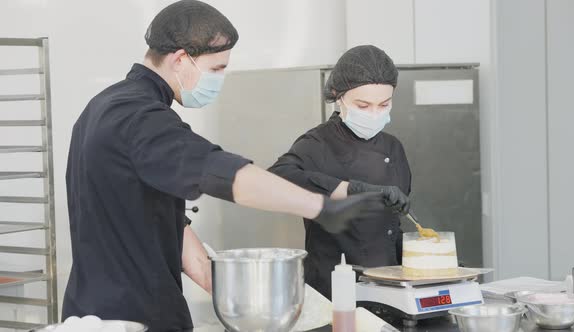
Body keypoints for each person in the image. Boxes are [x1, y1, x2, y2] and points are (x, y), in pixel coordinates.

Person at [62, 2, 387, 331]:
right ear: (179, 59)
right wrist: (320, 206)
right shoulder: (140, 117)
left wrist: (259, 309)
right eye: (216, 68)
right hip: (131, 318)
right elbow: (222, 172)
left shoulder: (104, 107)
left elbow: (171, 227)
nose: (220, 78)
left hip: (98, 310)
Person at [268, 45, 412, 299]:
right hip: (332, 288)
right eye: (363, 105)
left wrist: (426, 266)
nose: (374, 114)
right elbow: (277, 178)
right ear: (338, 95)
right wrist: (351, 189)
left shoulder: (393, 147)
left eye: (384, 104)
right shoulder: (317, 142)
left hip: (390, 286)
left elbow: (391, 229)